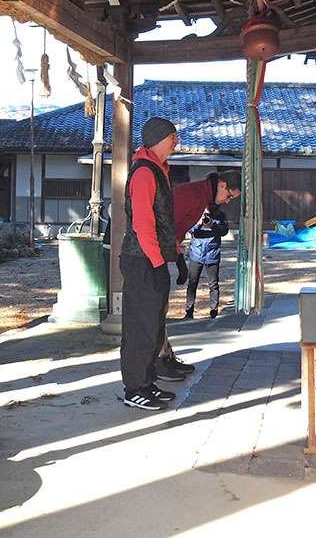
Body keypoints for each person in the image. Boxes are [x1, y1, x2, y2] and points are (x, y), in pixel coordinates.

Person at [153, 170, 243, 381]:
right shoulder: (193, 194)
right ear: (221, 185)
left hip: (163, 251)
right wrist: (176, 257)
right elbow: (165, 226)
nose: (228, 201)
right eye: (229, 196)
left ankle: (165, 355)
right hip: (150, 253)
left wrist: (177, 255)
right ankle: (156, 362)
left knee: (161, 307)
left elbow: (177, 231)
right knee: (153, 310)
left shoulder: (204, 198)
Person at [119, 117, 182, 411]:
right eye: (173, 136)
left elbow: (164, 220)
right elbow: (144, 223)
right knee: (141, 326)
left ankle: (146, 382)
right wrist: (158, 262)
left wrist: (174, 252)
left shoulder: (158, 169)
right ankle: (134, 389)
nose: (176, 141)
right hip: (141, 261)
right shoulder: (145, 172)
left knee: (153, 325)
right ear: (158, 138)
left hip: (152, 260)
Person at [183, 205, 230, 320]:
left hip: (212, 254)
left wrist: (213, 224)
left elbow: (224, 231)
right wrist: (199, 223)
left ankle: (213, 312)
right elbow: (190, 229)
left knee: (213, 284)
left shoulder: (220, 215)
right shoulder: (196, 213)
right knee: (192, 283)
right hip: (196, 253)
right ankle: (189, 311)